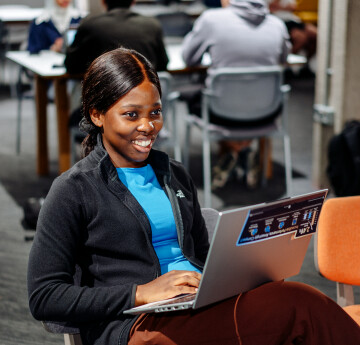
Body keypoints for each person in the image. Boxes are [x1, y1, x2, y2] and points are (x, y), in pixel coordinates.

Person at [27, 47, 360, 345]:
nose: (148, 126)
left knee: (299, 302)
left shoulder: (175, 174)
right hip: (134, 324)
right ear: (98, 115)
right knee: (298, 310)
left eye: (155, 112)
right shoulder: (74, 189)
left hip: (200, 305)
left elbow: (202, 256)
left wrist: (246, 272)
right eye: (132, 114)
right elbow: (44, 296)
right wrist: (140, 293)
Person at [181, 0, 291, 189]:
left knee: (201, 96)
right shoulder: (277, 25)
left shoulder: (211, 19)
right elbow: (284, 58)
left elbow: (189, 58)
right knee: (240, 97)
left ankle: (234, 148)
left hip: (221, 115)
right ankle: (244, 148)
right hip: (266, 114)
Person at [64, 0, 169, 74]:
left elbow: (71, 66)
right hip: (145, 99)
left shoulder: (90, 25)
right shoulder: (152, 25)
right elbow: (163, 64)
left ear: (103, 1)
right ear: (133, 1)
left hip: (105, 99)